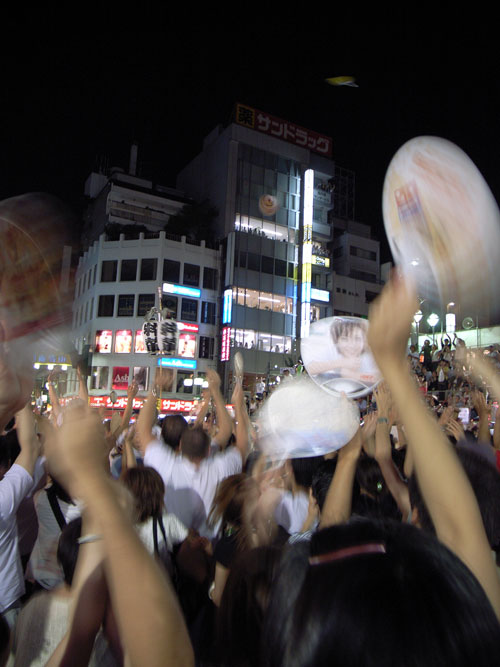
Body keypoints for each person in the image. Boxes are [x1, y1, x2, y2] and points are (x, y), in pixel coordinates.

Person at [137, 369, 248, 538]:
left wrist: (155, 387)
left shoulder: (165, 465)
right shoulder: (220, 468)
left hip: (171, 546)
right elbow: (239, 444)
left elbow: (143, 429)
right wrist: (227, 399)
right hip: (210, 549)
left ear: (181, 445)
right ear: (209, 449)